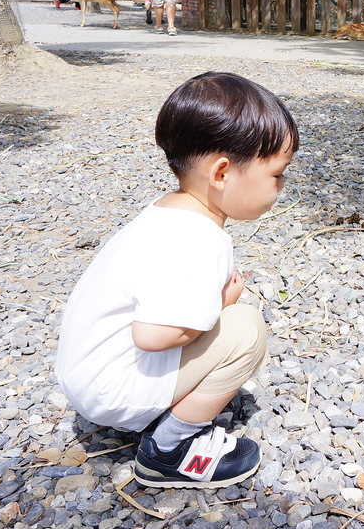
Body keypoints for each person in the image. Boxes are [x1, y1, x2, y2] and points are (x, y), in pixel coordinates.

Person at [56, 71, 299, 489]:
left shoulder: (167, 213)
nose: (282, 185)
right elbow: (153, 335)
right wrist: (218, 307)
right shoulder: (200, 240)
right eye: (277, 174)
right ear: (221, 173)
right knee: (246, 329)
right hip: (113, 391)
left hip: (87, 376)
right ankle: (169, 451)